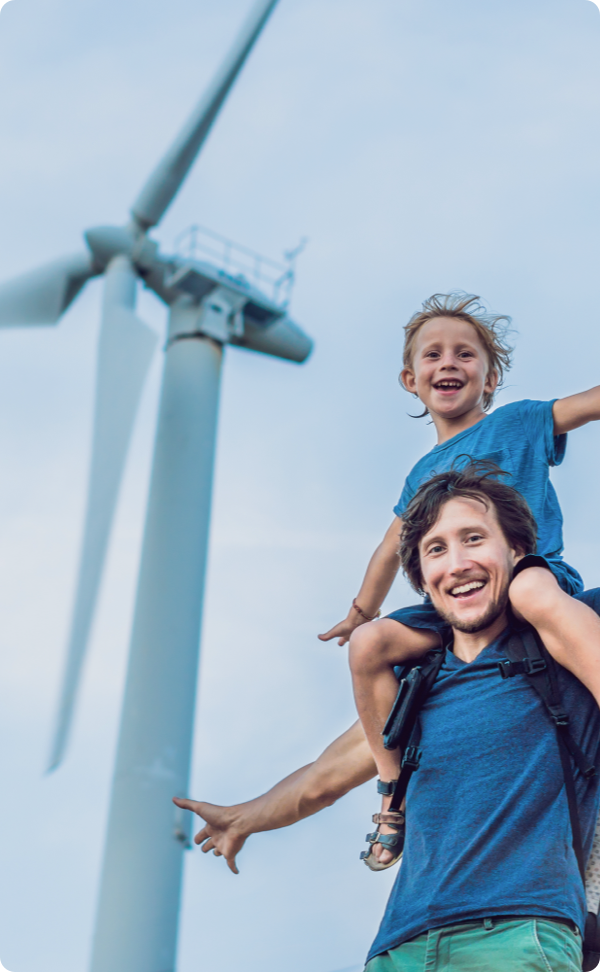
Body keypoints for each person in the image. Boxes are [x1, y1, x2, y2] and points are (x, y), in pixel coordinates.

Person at [175, 464, 600, 972]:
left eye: (474, 539)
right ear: (423, 577)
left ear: (517, 553)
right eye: (436, 549)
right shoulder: (416, 687)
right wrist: (243, 818)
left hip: (519, 934)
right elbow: (321, 780)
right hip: (399, 946)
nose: (457, 562)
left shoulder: (568, 640)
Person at [316, 292, 600, 866]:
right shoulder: (421, 476)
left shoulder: (517, 423)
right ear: (410, 379)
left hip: (527, 574)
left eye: (465, 354)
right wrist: (361, 613)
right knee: (372, 648)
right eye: (434, 355)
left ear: (490, 379)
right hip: (460, 603)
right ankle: (393, 795)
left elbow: (588, 404)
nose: (449, 363)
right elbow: (389, 548)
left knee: (528, 590)